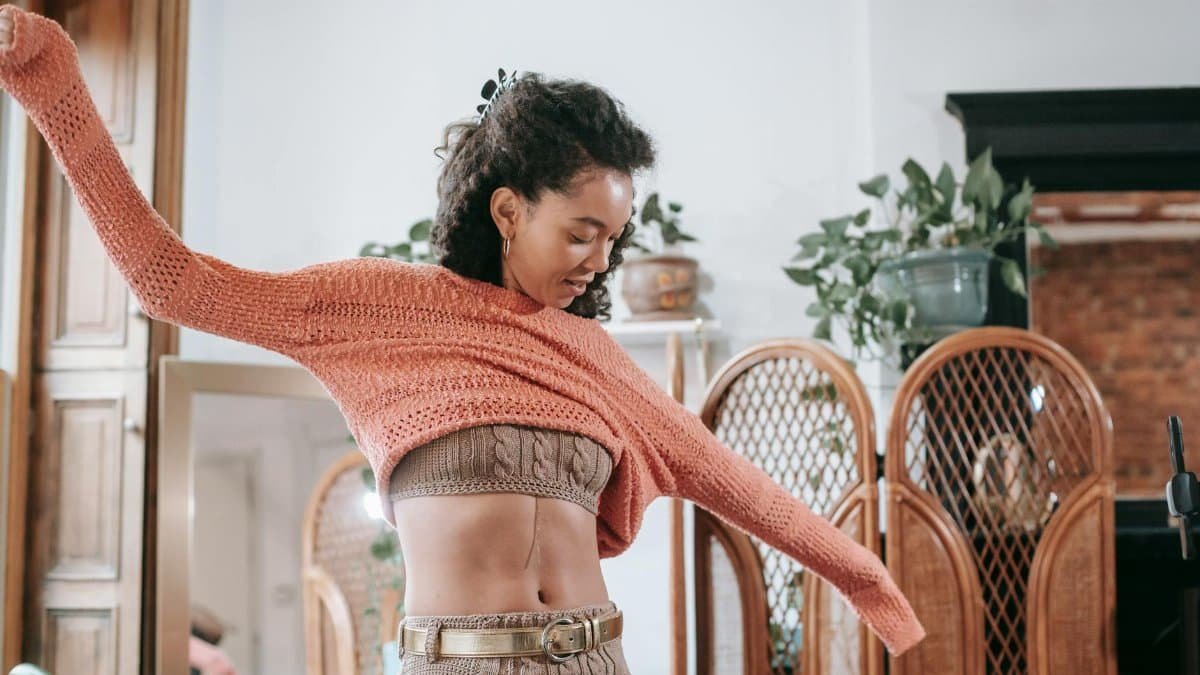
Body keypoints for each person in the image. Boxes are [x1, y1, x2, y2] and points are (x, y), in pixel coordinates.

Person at [0, 6, 926, 673]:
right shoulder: (375, 307)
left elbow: (739, 484)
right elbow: (169, 281)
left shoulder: (593, 358)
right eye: (580, 234)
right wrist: (54, 85)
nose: (599, 263)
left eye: (615, 241)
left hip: (595, 657)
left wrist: (871, 583)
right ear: (509, 208)